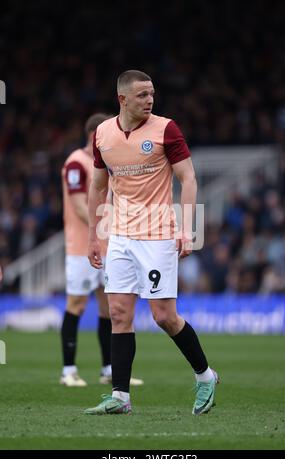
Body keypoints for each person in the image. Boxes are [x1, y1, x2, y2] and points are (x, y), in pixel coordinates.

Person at [84, 70, 218, 415]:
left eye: (152, 94)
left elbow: (188, 178)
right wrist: (93, 237)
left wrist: (187, 229)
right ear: (122, 99)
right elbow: (98, 187)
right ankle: (120, 397)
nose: (149, 100)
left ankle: (205, 376)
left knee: (164, 316)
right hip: (119, 235)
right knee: (117, 313)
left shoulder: (166, 129)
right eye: (142, 95)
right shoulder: (103, 134)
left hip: (158, 234)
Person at [60, 112, 144, 387]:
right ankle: (68, 370)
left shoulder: (106, 161)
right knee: (77, 304)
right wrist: (104, 224)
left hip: (107, 245)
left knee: (108, 308)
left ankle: (108, 369)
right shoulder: (76, 162)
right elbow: (78, 205)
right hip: (80, 246)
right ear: (94, 135)